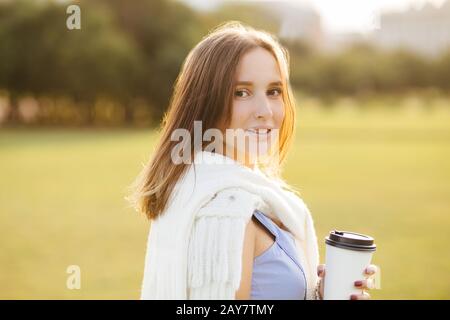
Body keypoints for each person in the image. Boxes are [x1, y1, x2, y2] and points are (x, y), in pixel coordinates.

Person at [127, 21, 377, 300]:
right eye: (241, 93)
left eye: (274, 91)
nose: (265, 110)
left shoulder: (243, 194)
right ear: (205, 103)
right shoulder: (224, 212)